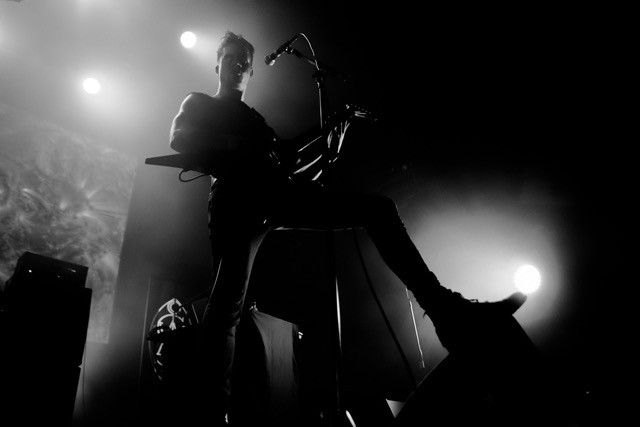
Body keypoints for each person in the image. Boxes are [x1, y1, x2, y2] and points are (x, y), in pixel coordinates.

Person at [168, 31, 527, 426]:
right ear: (217, 64)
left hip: (275, 197)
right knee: (227, 305)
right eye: (231, 58)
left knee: (379, 210)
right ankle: (209, 412)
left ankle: (448, 313)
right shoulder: (199, 102)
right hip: (235, 201)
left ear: (251, 72)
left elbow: (290, 169)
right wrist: (240, 148)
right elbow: (180, 138)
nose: (237, 65)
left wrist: (331, 138)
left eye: (244, 62)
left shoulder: (257, 121)